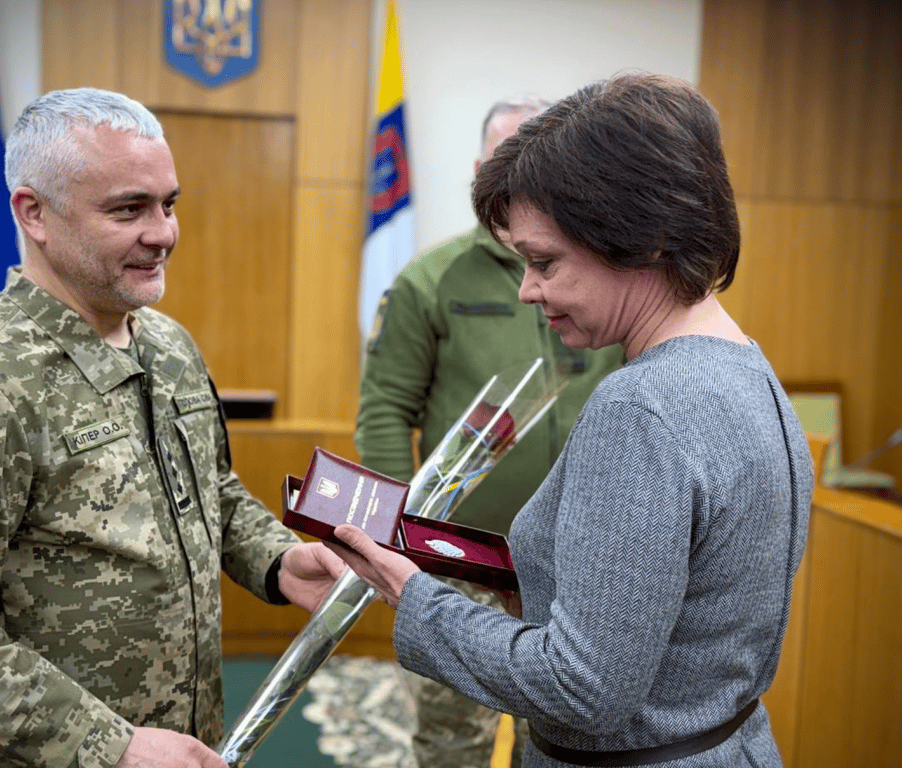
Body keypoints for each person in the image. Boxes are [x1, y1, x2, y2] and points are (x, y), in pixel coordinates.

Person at [327, 72, 814, 767]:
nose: (528, 289)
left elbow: (581, 689)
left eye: (544, 262)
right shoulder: (747, 370)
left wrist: (414, 596)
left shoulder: (640, 406)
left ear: (642, 239)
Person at [0, 87, 344, 768]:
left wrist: (279, 559)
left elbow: (211, 490)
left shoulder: (170, 346)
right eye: (129, 209)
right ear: (34, 213)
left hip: (188, 744)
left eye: (168, 204)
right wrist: (110, 746)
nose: (163, 233)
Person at [357, 96, 622, 768]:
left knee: (570, 739)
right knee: (455, 745)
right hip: (462, 562)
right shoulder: (431, 279)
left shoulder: (605, 278)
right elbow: (386, 409)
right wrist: (404, 534)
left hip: (576, 563)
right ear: (481, 172)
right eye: (511, 163)